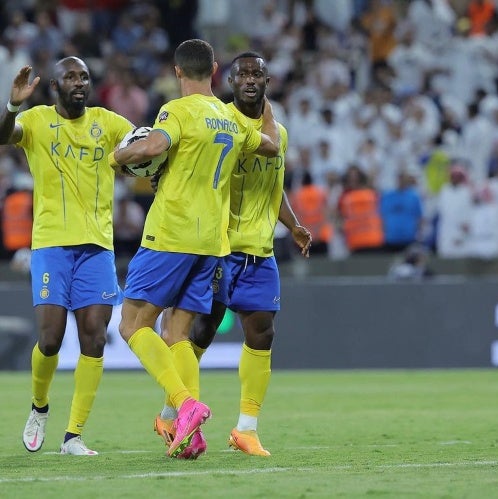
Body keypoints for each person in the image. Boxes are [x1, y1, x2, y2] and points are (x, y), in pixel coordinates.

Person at [110, 40, 281, 459]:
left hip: (172, 234)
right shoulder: (228, 116)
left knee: (132, 325)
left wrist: (119, 156)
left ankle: (186, 405)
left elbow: (152, 147)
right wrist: (269, 109)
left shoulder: (177, 110)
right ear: (216, 70)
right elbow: (272, 145)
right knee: (177, 333)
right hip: (213, 243)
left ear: (177, 72)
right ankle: (193, 434)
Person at [155, 51, 311, 457]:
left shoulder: (281, 133)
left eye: (256, 73)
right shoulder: (219, 123)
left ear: (267, 80)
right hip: (219, 247)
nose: (249, 79)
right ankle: (172, 413)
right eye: (241, 73)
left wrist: (292, 225)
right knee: (201, 332)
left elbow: (273, 186)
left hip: (261, 252)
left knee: (263, 332)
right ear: (228, 80)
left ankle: (246, 428)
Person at [0, 58, 134, 455]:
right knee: (51, 338)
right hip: (51, 246)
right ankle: (39, 407)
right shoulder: (38, 121)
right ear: (55, 86)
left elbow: (142, 143)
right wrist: (12, 107)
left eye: (85, 77)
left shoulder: (108, 123)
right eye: (71, 78)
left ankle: (73, 435)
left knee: (94, 338)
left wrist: (147, 156)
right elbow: (4, 135)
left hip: (97, 248)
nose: (79, 83)